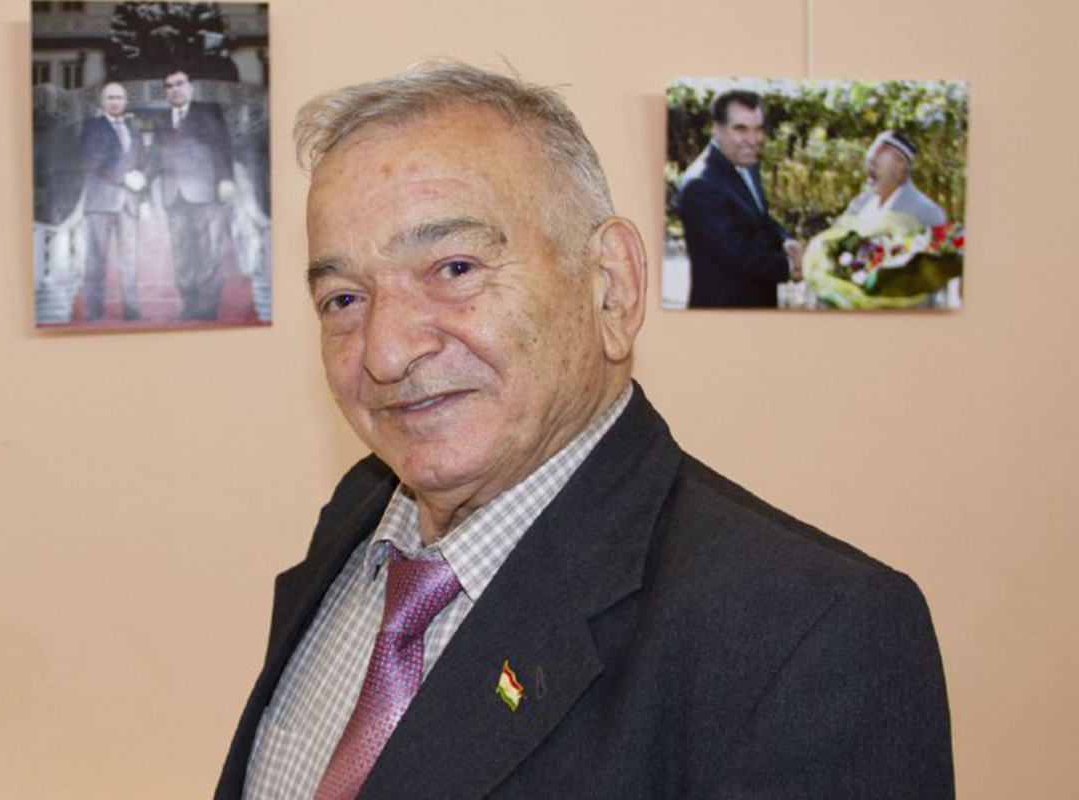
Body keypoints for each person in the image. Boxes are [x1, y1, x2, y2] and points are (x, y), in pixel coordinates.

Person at [216, 63, 953, 800]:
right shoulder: (358, 515)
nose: (385, 351)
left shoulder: (810, 638)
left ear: (612, 286)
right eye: (343, 299)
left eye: (454, 267)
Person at [676, 89, 803, 308]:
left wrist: (785, 240)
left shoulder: (746, 162)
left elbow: (759, 217)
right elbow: (738, 256)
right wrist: (793, 267)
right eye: (741, 129)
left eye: (758, 129)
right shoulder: (699, 185)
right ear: (716, 129)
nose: (753, 140)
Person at [151, 69, 236, 320]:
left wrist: (225, 178)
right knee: (181, 253)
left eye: (179, 83)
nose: (174, 89)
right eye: (169, 86)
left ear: (190, 86)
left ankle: (207, 309)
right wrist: (141, 179)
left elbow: (222, 145)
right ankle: (189, 306)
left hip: (205, 191)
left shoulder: (208, 111)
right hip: (173, 195)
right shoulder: (160, 119)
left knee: (210, 250)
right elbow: (154, 157)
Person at [79, 81, 146, 321]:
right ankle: (94, 311)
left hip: (129, 202)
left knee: (129, 259)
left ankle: (132, 310)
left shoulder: (134, 128)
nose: (115, 102)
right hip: (100, 202)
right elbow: (93, 159)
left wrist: (143, 196)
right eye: (110, 97)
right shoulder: (92, 126)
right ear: (102, 101)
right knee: (96, 259)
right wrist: (124, 177)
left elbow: (141, 163)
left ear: (125, 101)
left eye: (119, 97)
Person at [843, 130, 948, 232]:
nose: (869, 170)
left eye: (875, 163)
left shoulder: (927, 212)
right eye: (868, 162)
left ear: (900, 164)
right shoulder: (860, 204)